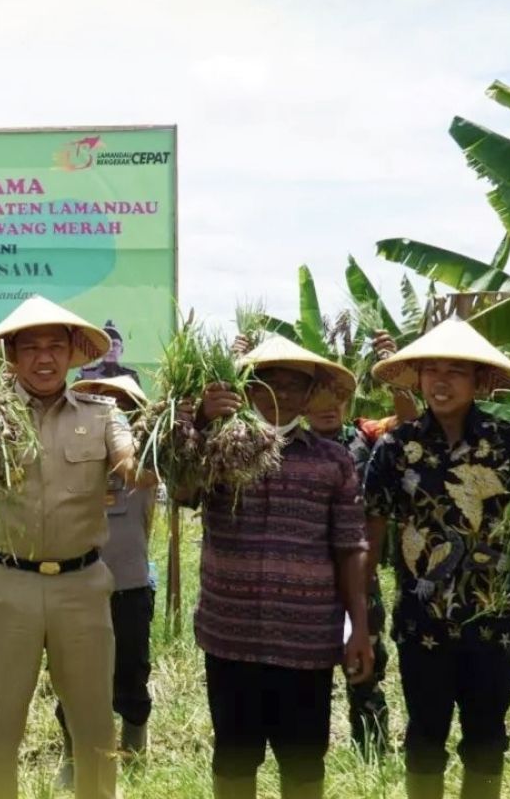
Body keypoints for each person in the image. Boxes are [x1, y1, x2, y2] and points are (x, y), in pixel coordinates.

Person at [0, 295, 151, 799]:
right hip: (6, 585)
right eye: (31, 347)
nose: (44, 357)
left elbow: (133, 467)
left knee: (94, 726)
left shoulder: (102, 413)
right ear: (11, 357)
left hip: (82, 587)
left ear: (71, 354)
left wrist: (166, 435)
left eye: (55, 346)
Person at [186, 335, 373, 799]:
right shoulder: (216, 449)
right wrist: (201, 421)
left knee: (304, 759)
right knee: (233, 755)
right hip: (230, 634)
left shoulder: (334, 460)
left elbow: (351, 546)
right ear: (248, 390)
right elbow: (182, 488)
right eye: (268, 384)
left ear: (311, 396)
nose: (282, 394)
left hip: (305, 639)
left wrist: (360, 628)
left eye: (295, 385)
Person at [364, 319, 510, 799]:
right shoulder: (397, 449)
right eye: (430, 370)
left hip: (494, 623)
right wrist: (360, 620)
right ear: (416, 378)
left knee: (486, 739)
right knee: (424, 737)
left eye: (455, 371)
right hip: (423, 624)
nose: (440, 382)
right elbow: (370, 531)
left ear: (480, 381)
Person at [233, 330, 415, 757]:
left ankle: (370, 749)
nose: (330, 409)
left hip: (358, 568)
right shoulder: (271, 443)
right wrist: (234, 365)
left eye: (339, 401)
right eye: (322, 401)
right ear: (305, 403)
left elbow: (409, 424)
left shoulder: (367, 436)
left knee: (366, 663)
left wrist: (393, 369)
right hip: (297, 579)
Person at [54, 375, 158, 789]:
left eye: (120, 404)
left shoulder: (144, 459)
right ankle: (72, 750)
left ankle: (134, 740)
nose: (109, 410)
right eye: (100, 402)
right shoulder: (72, 456)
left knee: (131, 667)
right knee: (69, 671)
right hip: (74, 583)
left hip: (129, 582)